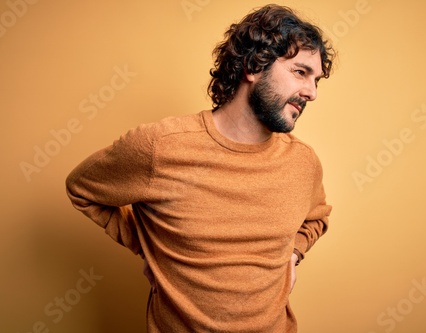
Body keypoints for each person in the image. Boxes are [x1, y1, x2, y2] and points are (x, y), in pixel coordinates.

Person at [66, 4, 334, 332]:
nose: (312, 92)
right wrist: (152, 246)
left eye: (316, 79)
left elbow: (317, 217)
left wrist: (294, 253)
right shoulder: (160, 147)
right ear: (253, 66)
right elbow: (82, 190)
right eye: (300, 72)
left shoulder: (303, 163)